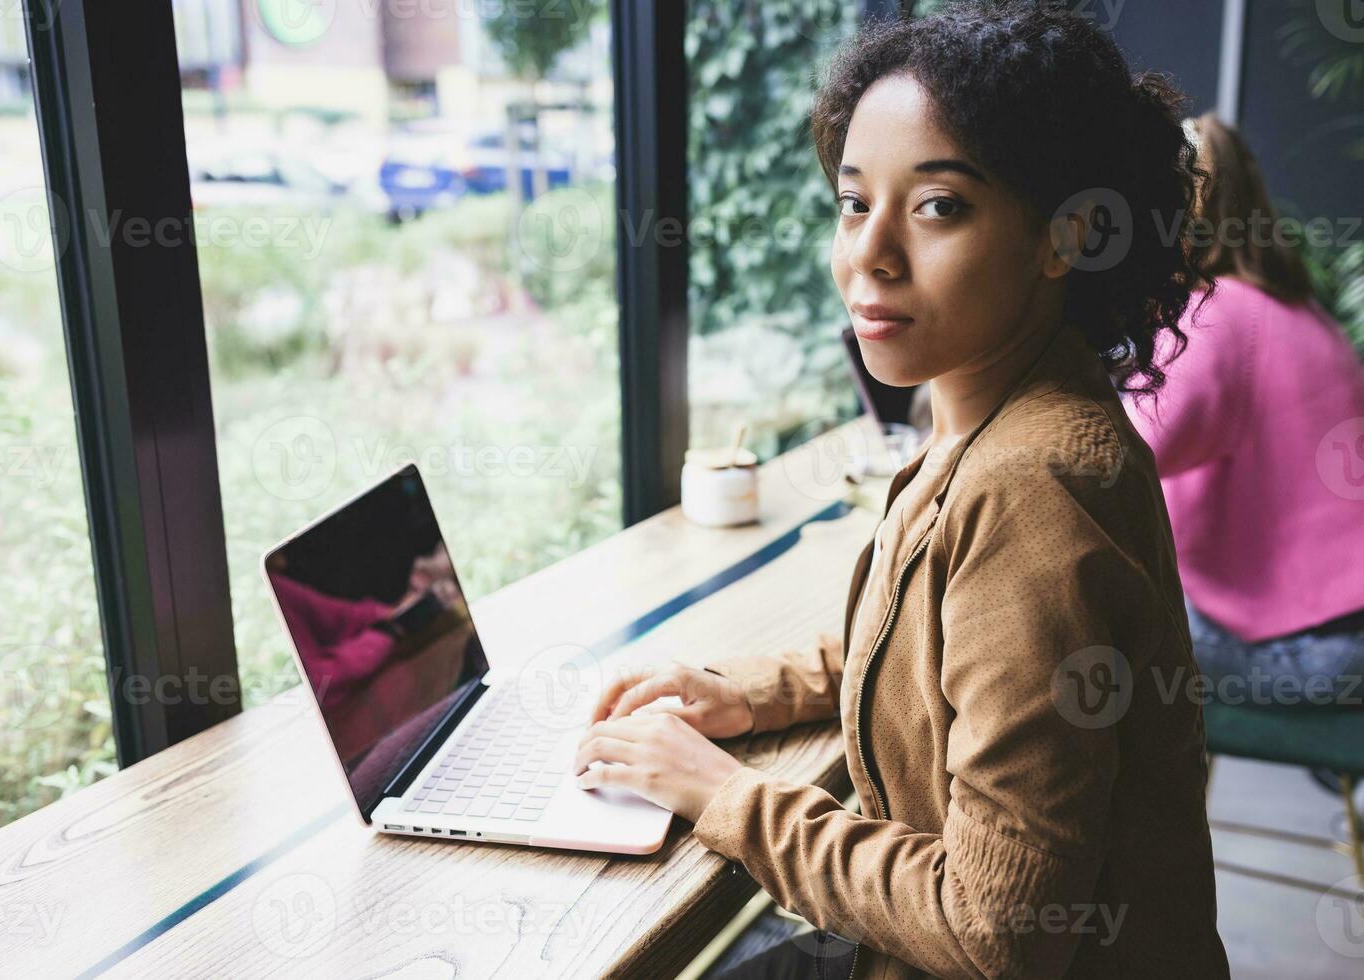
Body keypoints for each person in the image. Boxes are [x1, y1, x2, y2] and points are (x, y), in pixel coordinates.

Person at [573, 3, 1231, 978]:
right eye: (852, 202)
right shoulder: (1002, 406)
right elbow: (946, 647)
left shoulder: (1030, 488)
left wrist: (723, 794)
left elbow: (996, 929)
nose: (868, 253)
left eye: (938, 206)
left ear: (1067, 236)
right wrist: (746, 692)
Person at [1122, 112, 1364, 716]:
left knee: (1077, 623)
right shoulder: (1299, 307)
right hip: (1342, 634)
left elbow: (1118, 451)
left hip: (1315, 653)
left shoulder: (1218, 314)